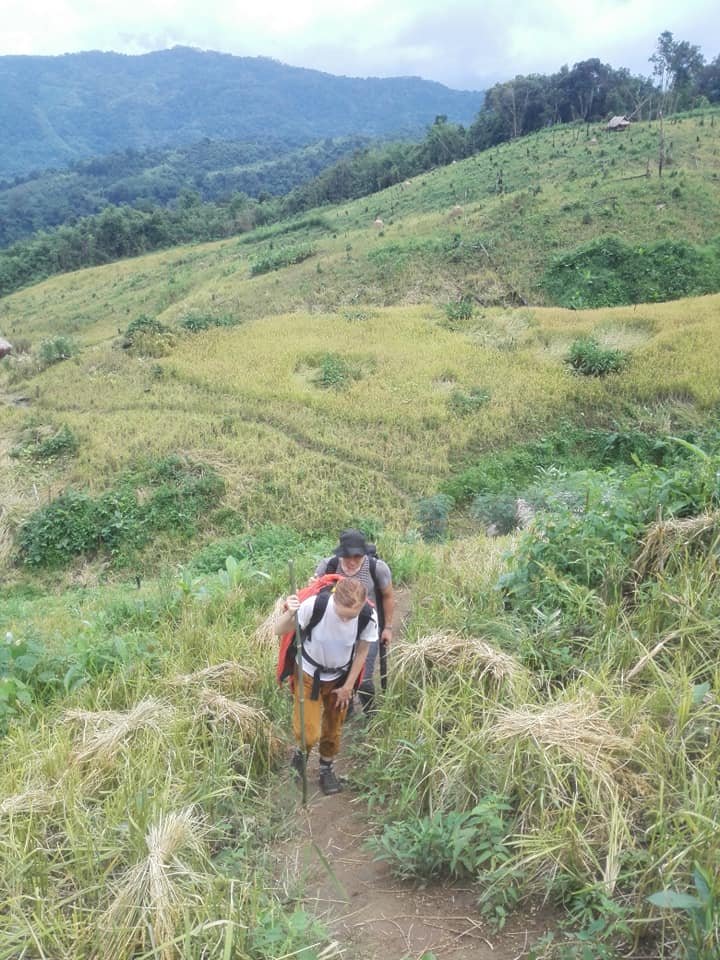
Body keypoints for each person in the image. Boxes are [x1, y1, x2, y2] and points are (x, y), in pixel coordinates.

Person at [275, 577, 377, 795]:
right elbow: (279, 629)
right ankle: (301, 755)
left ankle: (326, 769)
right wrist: (290, 613)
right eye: (341, 614)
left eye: (351, 616)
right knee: (308, 731)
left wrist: (349, 686)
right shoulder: (315, 606)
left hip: (340, 678)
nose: (345, 620)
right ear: (334, 599)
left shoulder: (368, 616)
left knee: (334, 726)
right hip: (308, 673)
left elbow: (362, 652)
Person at [314, 529, 394, 713]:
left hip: (368, 629)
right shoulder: (329, 566)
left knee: (364, 679)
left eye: (357, 557)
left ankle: (370, 715)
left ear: (363, 554)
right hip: (337, 631)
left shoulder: (377, 568)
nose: (351, 561)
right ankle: (346, 714)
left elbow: (388, 596)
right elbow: (315, 594)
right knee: (342, 676)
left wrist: (387, 627)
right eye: (347, 556)